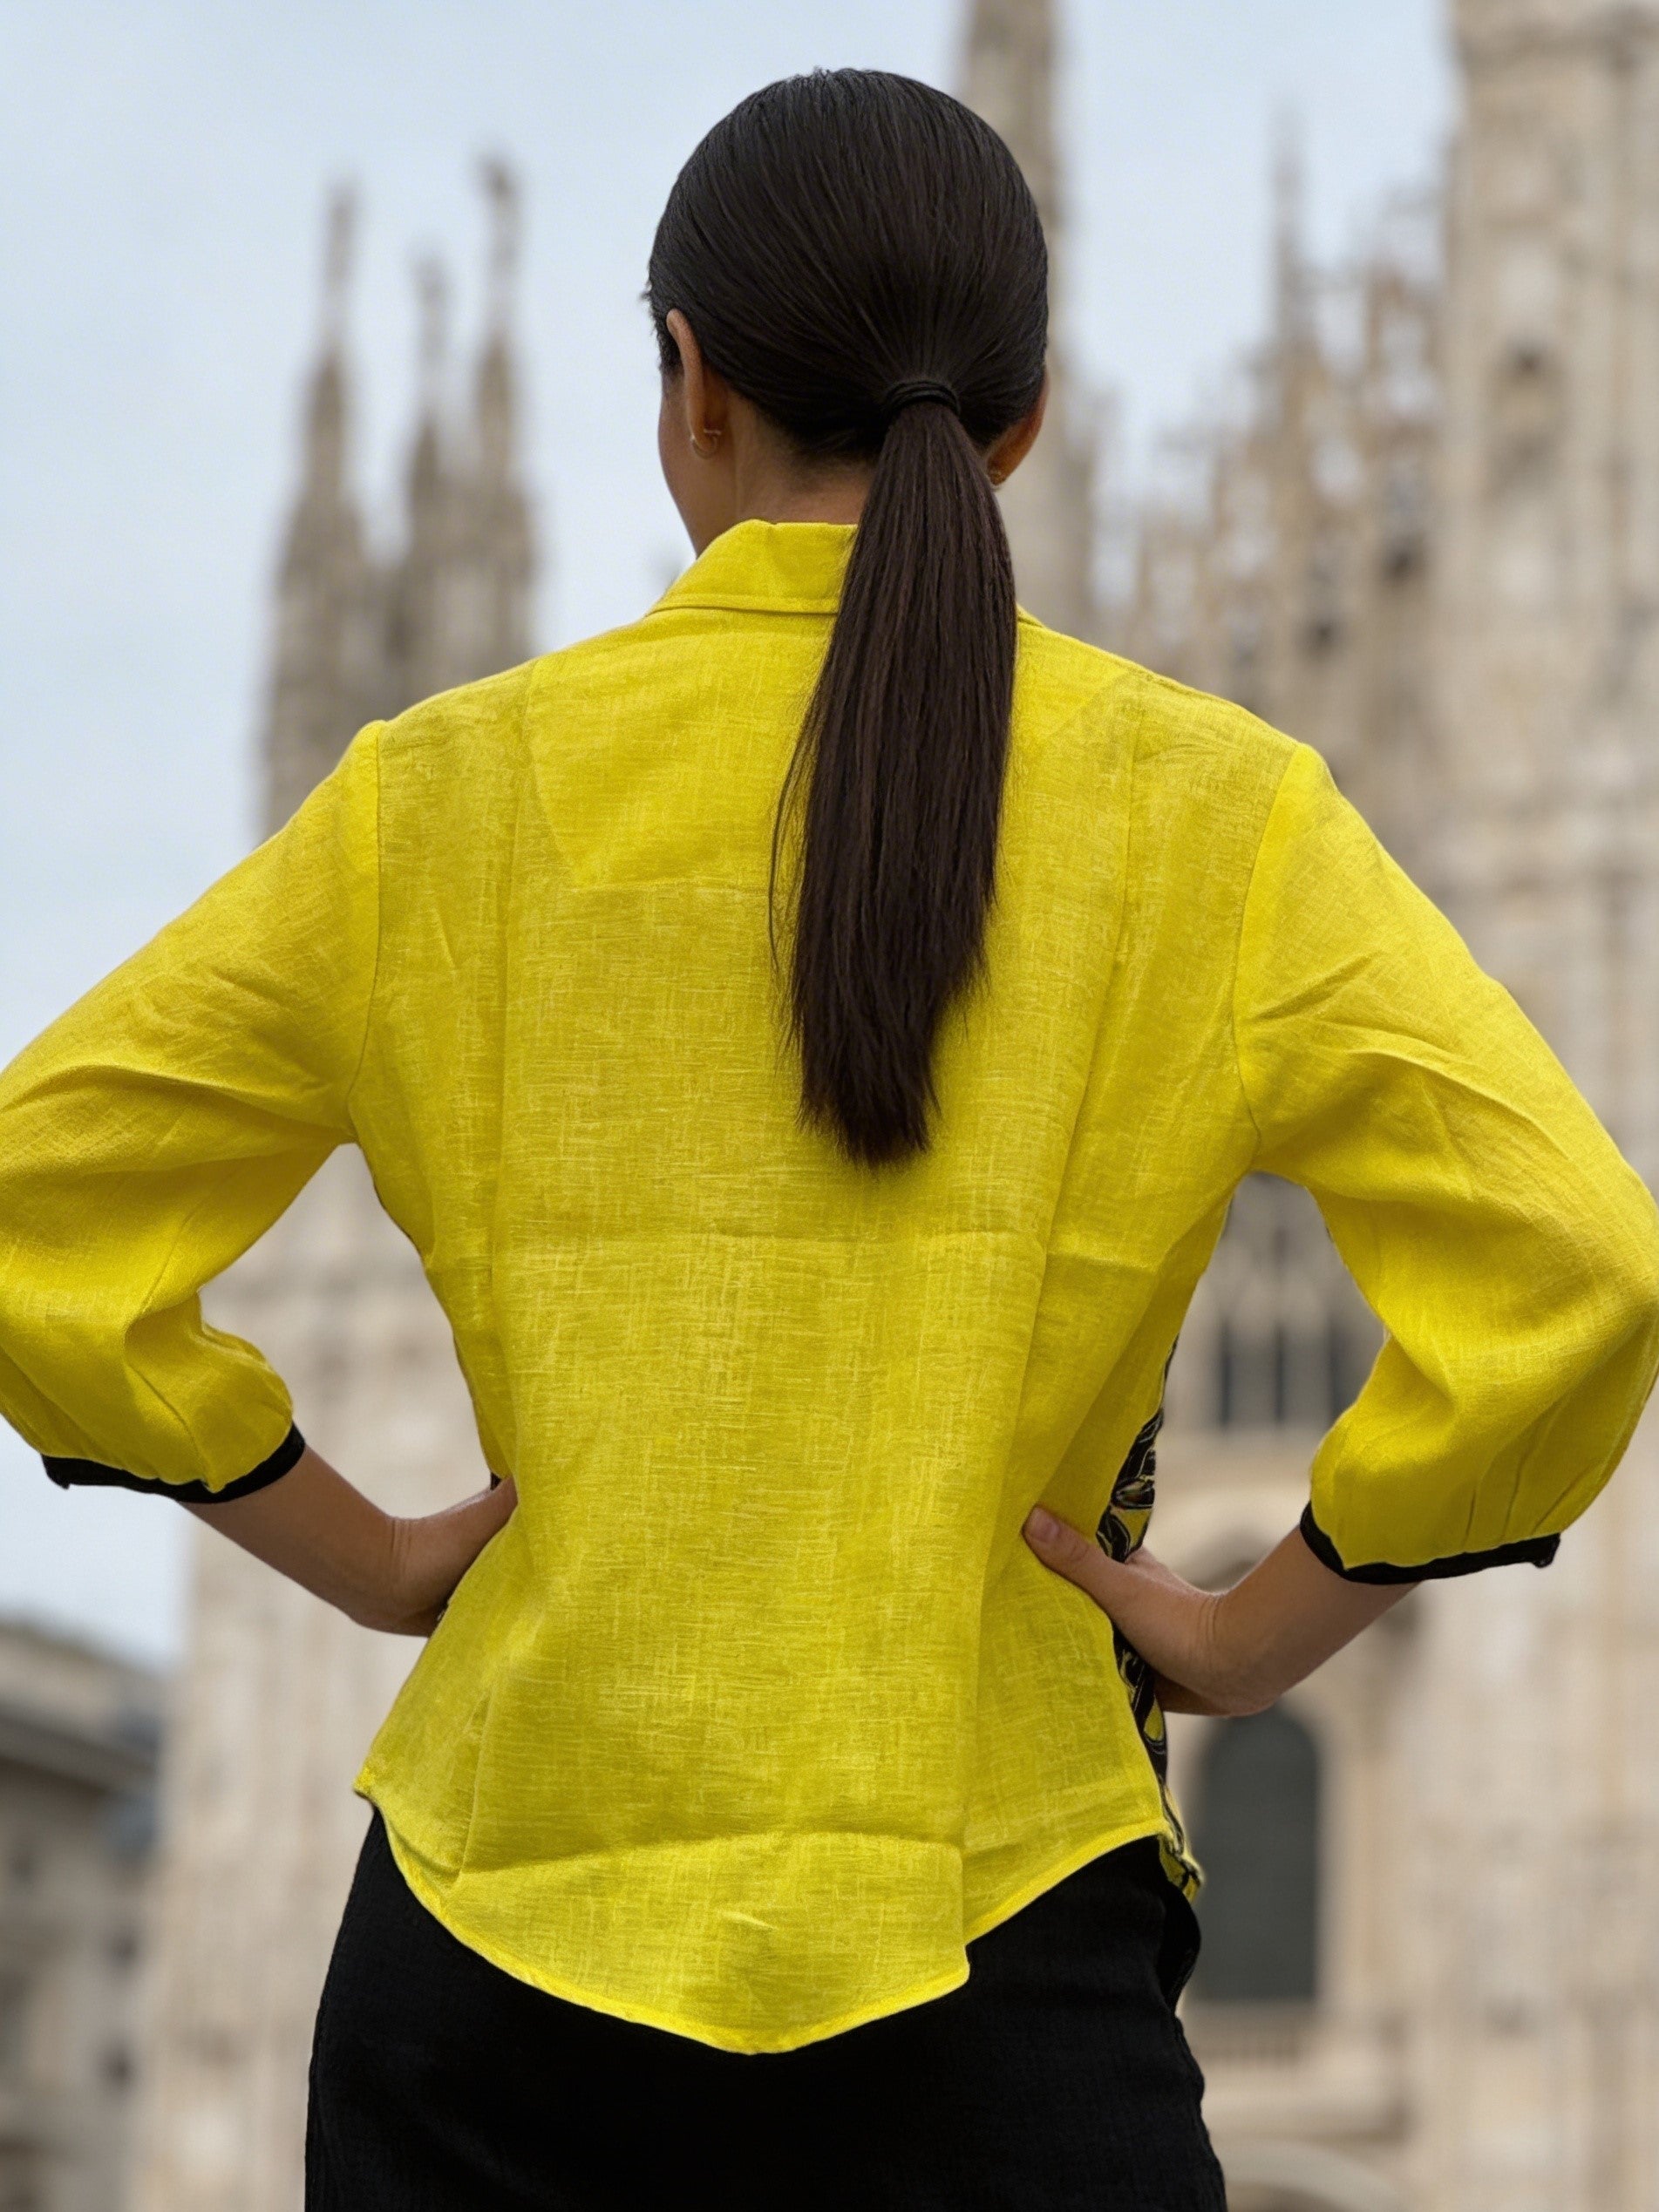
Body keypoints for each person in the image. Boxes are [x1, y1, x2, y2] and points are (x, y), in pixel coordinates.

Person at [2, 66, 1656, 2212]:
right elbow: (1579, 1276)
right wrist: (1263, 1629)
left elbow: (38, 1217)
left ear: (684, 388)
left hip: (497, 1981)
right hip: (1003, 1973)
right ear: (1024, 422)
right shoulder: (1212, 815)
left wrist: (375, 1553)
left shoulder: (452, 801)